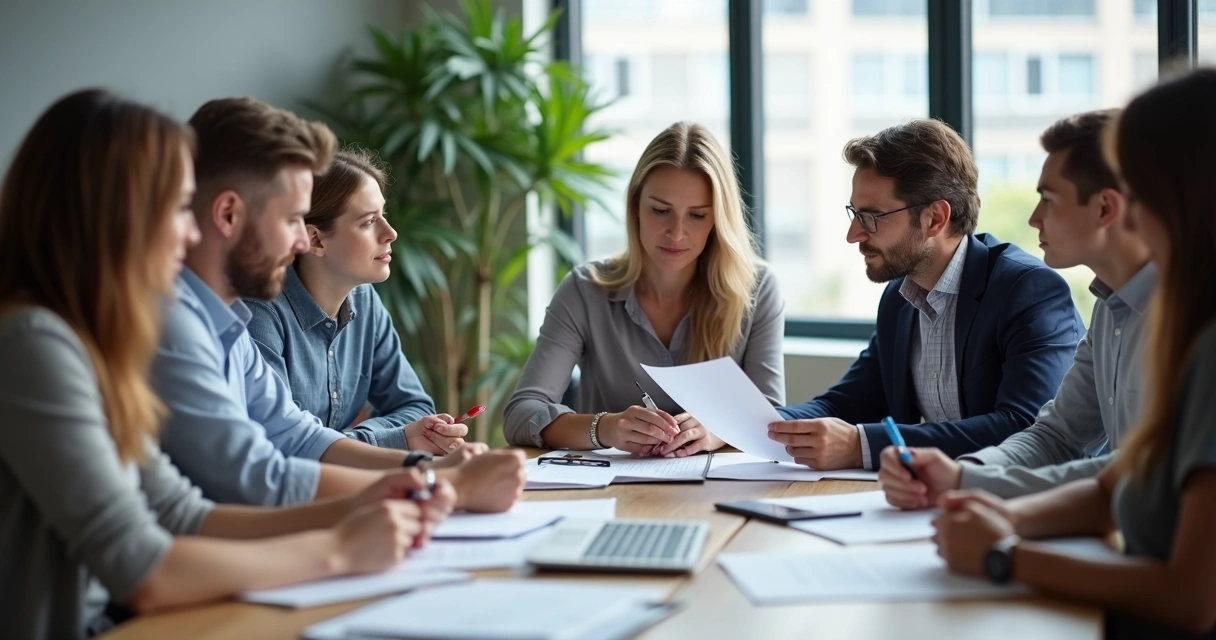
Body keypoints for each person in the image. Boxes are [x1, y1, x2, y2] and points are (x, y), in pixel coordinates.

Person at [0, 89, 453, 640]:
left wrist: (375, 499)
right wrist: (338, 548)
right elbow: (145, 567)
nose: (190, 232)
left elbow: (180, 512)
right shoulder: (34, 342)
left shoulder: (90, 338)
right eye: (173, 209)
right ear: (111, 216)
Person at [932, 67, 1216, 640]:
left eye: (1140, 191)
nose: (1129, 215)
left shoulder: (1206, 342)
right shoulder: (1162, 319)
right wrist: (1000, 512)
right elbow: (1120, 480)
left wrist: (1004, 555)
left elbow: (1192, 600)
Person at [150, 97, 523, 511]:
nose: (299, 243)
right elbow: (259, 478)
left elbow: (300, 436)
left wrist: (426, 469)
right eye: (292, 219)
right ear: (229, 215)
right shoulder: (179, 325)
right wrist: (441, 484)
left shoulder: (226, 321)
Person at [768, 119, 1083, 471]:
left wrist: (864, 446)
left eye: (871, 217)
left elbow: (1024, 427)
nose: (853, 234)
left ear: (935, 218)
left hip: (1023, 506)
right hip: (939, 501)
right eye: (855, 213)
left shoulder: (1027, 291)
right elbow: (844, 405)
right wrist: (751, 427)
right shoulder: (899, 298)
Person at [879, 110, 1154, 507]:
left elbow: (1139, 472)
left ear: (1105, 209)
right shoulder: (1110, 308)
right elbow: (1056, 437)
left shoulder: (1189, 317)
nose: (1033, 218)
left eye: (1049, 199)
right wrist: (962, 474)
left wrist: (972, 486)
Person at [503, 122, 784, 456]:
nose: (676, 233)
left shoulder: (757, 289)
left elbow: (772, 418)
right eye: (661, 211)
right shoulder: (585, 290)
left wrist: (716, 430)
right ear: (635, 206)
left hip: (715, 495)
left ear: (717, 219)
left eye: (696, 216)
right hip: (607, 495)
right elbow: (520, 415)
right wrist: (606, 428)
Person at [246, 147, 465, 454]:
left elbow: (415, 407)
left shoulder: (364, 299)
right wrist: (394, 438)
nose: (390, 233)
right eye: (368, 222)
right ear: (316, 240)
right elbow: (279, 444)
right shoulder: (260, 312)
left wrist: (354, 439)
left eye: (383, 215)